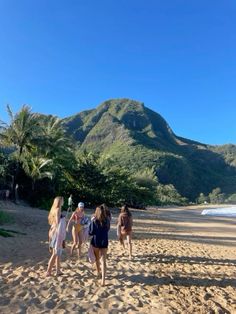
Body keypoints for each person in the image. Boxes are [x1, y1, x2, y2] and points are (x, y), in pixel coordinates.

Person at [89, 205, 110, 286]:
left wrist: (91, 222)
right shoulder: (107, 220)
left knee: (97, 258)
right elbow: (108, 229)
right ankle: (103, 281)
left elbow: (91, 232)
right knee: (103, 261)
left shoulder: (94, 220)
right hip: (104, 241)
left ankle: (98, 273)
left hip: (96, 241)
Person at [46, 196, 66, 276]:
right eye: (62, 200)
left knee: (58, 253)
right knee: (55, 253)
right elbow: (58, 223)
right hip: (57, 233)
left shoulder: (55, 209)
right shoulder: (57, 210)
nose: (63, 201)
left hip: (55, 232)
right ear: (60, 202)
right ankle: (48, 271)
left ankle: (58, 270)